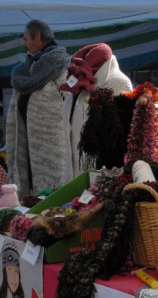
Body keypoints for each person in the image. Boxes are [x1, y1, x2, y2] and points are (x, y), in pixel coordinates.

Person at [7, 19, 70, 197]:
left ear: (38, 37)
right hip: (25, 135)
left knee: (50, 182)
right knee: (27, 178)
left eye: (26, 38)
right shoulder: (28, 67)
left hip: (49, 139)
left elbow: (59, 101)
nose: (24, 43)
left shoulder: (62, 66)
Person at [58, 42, 132, 180]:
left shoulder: (118, 83)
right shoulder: (78, 84)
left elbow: (121, 138)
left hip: (104, 174)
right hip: (73, 172)